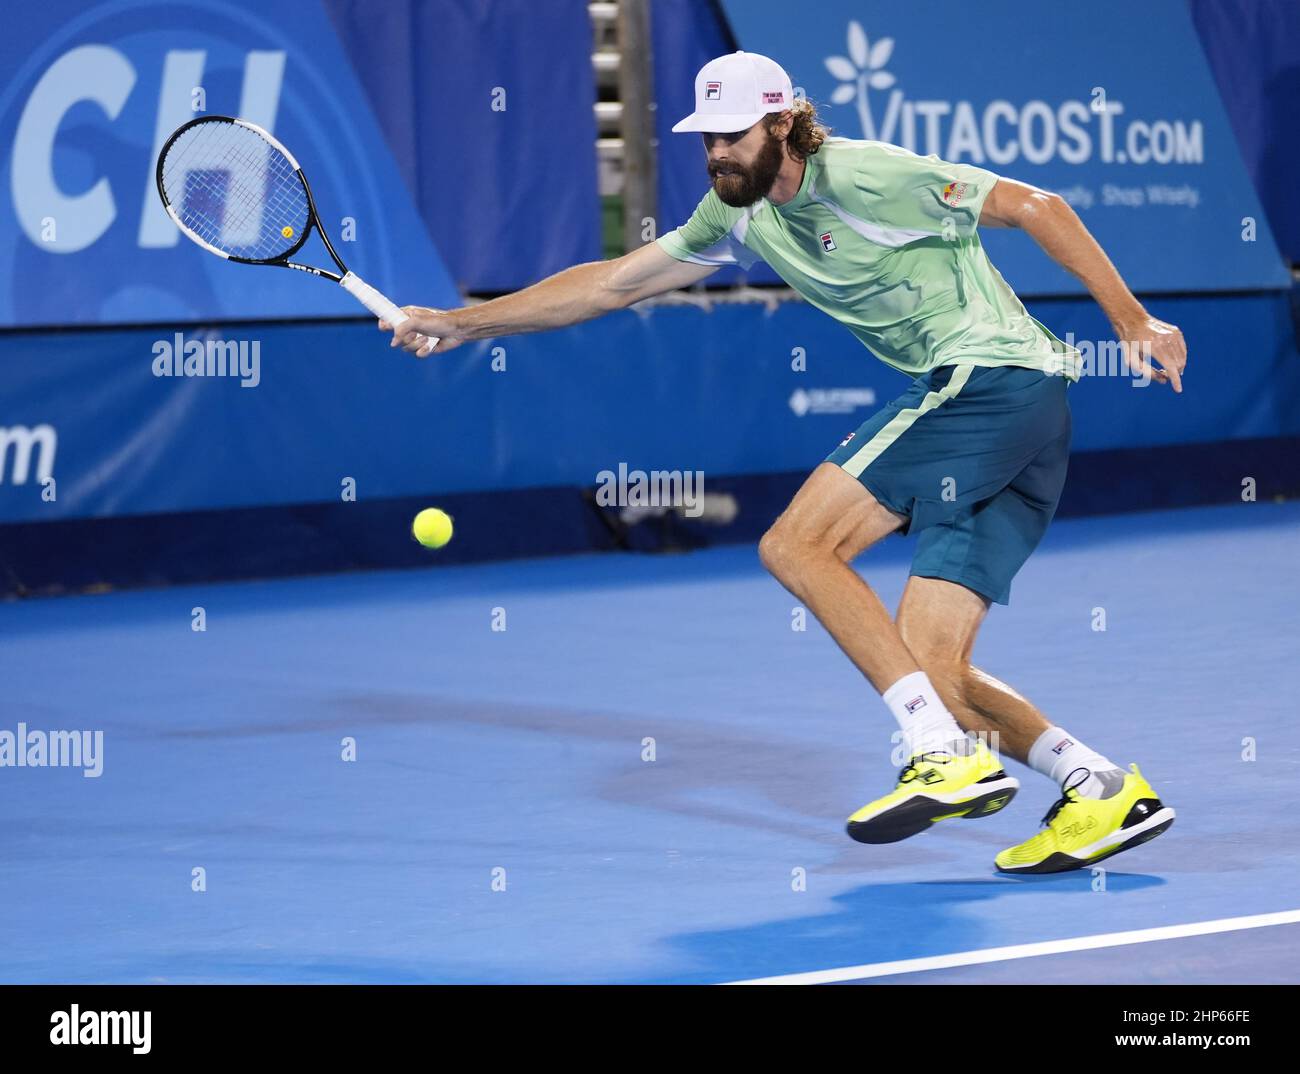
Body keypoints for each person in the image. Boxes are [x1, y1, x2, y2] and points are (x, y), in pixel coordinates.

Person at [380, 51, 1186, 874]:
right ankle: (1098, 787)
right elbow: (610, 286)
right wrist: (462, 323)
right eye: (706, 140)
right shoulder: (737, 214)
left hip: (992, 382)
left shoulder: (867, 173)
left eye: (732, 136)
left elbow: (1037, 206)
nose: (717, 154)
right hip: (1023, 422)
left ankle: (942, 755)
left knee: (795, 546)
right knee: (928, 664)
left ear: (781, 124)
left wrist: (1132, 321)